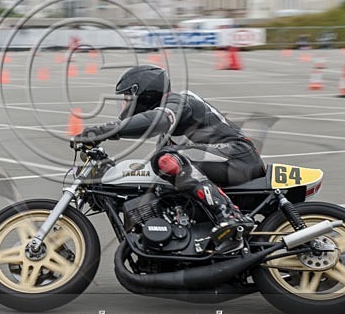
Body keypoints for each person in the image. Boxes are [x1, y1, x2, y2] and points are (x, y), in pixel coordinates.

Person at [73, 65, 265, 248]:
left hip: (238, 155)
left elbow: (158, 120)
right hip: (223, 161)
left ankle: (230, 215)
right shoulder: (168, 136)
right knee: (161, 171)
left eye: (128, 97)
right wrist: (108, 174)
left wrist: (104, 131)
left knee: (165, 158)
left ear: (145, 94)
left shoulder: (179, 101)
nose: (124, 103)